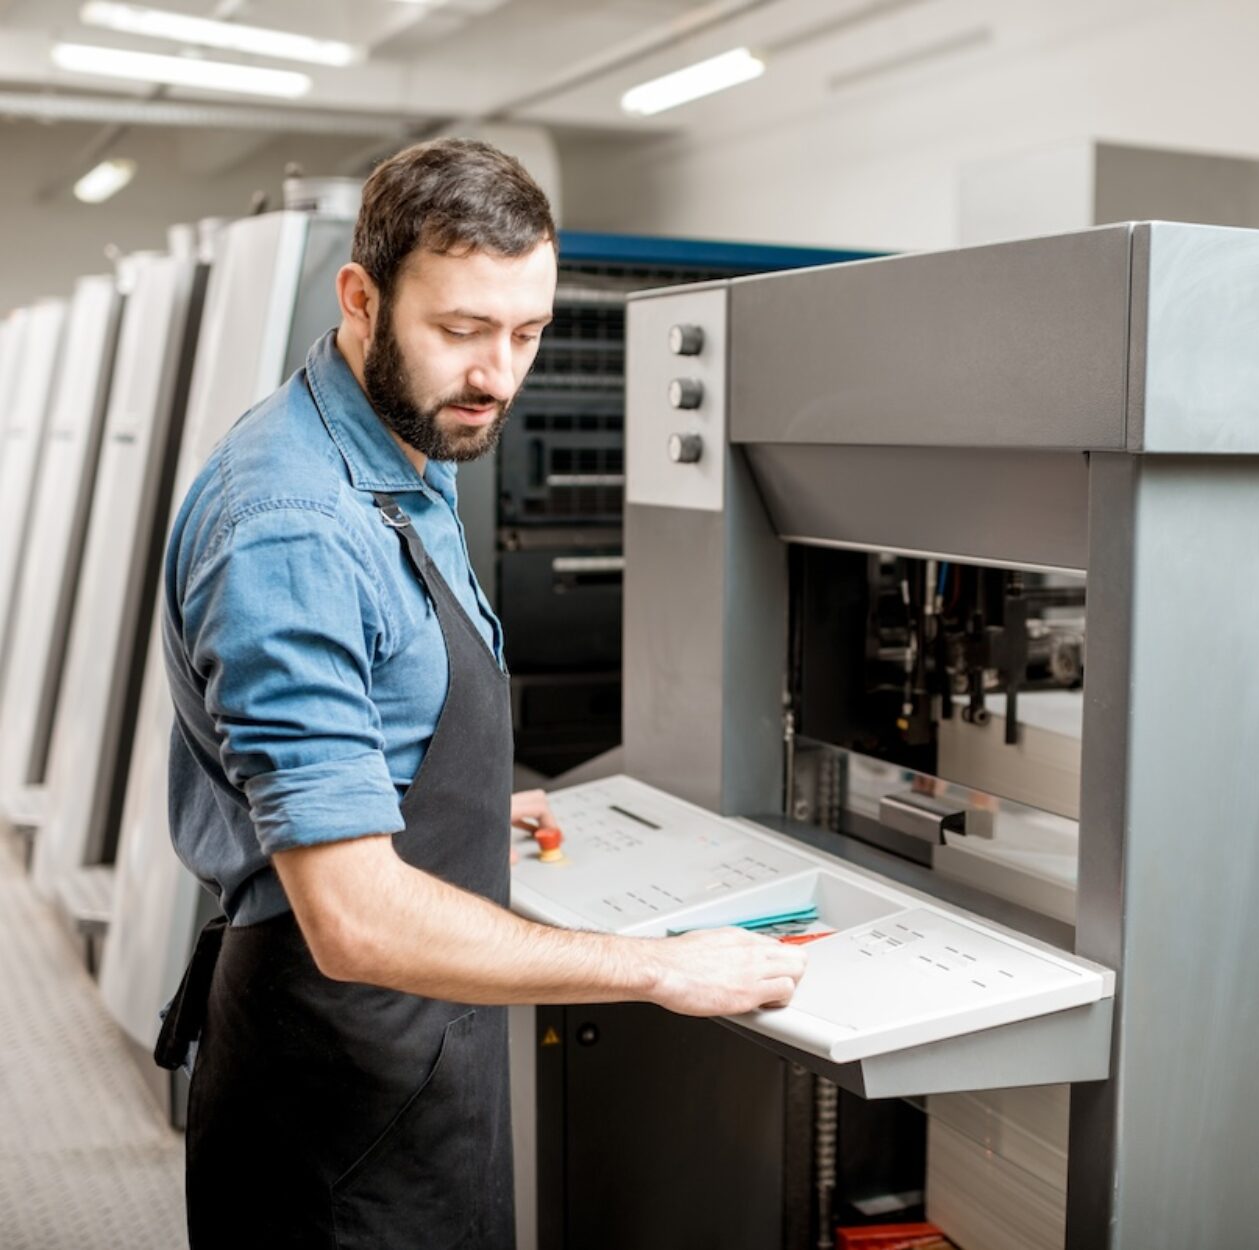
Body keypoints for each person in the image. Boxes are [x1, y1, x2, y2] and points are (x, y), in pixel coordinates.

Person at [154, 137, 807, 1249]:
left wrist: (439, 802)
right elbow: (355, 918)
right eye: (461, 330)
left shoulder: (411, 443)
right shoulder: (291, 528)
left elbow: (367, 710)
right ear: (360, 298)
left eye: (528, 332)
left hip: (420, 1047)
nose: (499, 374)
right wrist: (659, 968)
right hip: (337, 1077)